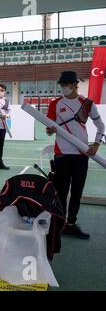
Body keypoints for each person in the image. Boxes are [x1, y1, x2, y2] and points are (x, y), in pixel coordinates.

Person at [46, 71, 105, 239]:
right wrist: (49, 130)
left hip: (81, 155)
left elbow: (100, 125)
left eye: (65, 85)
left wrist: (97, 143)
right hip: (61, 155)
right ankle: (59, 223)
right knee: (61, 191)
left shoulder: (86, 104)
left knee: (77, 191)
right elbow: (49, 130)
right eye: (62, 85)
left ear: (74, 85)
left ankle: (71, 223)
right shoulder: (55, 104)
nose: (63, 88)